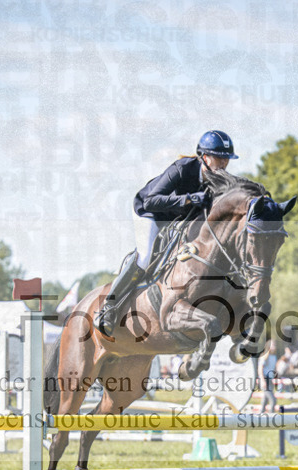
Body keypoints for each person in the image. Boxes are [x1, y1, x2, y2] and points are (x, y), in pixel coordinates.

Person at [96, 130, 239, 336]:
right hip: (150, 213)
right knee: (145, 258)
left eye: (227, 159)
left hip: (178, 220)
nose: (224, 163)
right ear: (205, 157)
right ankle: (108, 308)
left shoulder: (220, 181)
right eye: (219, 158)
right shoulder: (182, 169)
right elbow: (151, 201)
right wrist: (188, 198)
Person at [259, 340, 279, 412]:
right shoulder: (264, 356)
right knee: (273, 400)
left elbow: (274, 369)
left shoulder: (274, 357)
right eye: (273, 345)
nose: (274, 347)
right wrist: (262, 381)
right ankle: (271, 417)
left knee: (265, 400)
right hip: (265, 379)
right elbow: (260, 369)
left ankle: (261, 415)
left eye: (274, 345)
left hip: (270, 380)